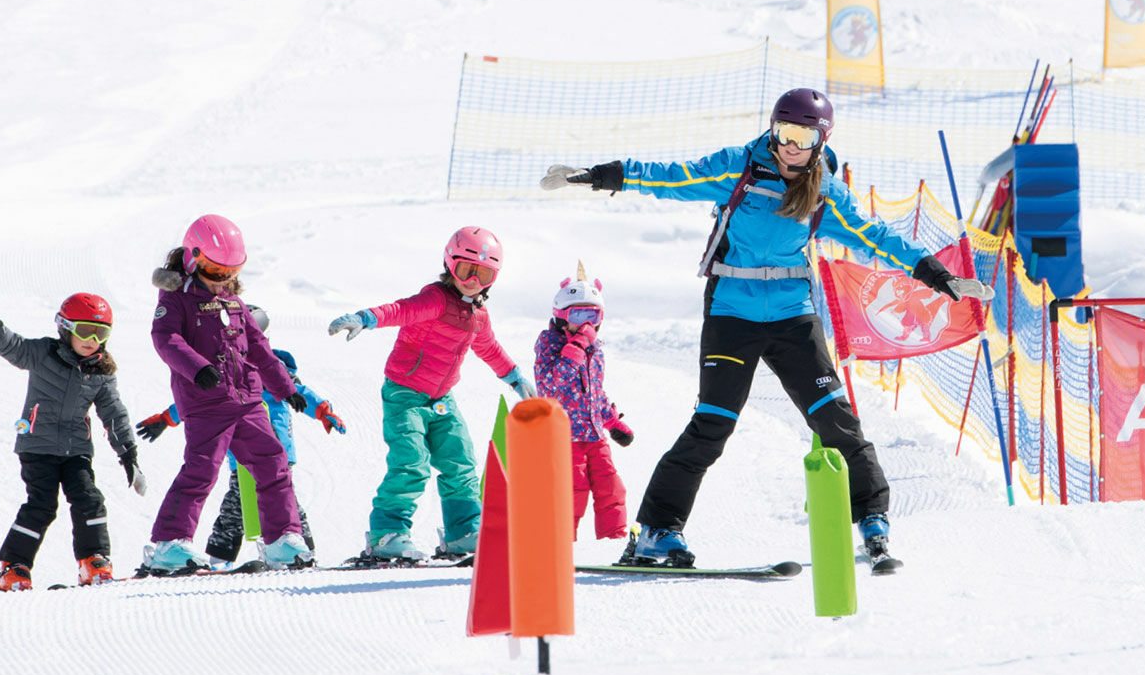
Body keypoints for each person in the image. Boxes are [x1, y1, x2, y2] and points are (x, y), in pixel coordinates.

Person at [541, 88, 994, 572]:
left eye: (803, 137)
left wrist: (934, 273)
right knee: (713, 425)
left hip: (791, 315)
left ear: (821, 141)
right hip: (731, 314)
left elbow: (874, 236)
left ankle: (873, 523)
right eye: (784, 133)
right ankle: (657, 531)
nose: (791, 147)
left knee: (835, 420)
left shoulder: (824, 194)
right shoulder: (740, 168)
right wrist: (603, 176)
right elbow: (674, 177)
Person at [327, 225, 537, 561]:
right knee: (411, 462)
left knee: (461, 460)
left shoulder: (478, 316)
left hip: (442, 399)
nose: (472, 280)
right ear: (450, 264)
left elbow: (489, 348)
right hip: (405, 395)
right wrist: (365, 318)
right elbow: (400, 310)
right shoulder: (434, 300)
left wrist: (513, 376)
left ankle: (464, 532)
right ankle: (386, 533)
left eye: (483, 274)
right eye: (466, 269)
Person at [143, 214, 318, 572]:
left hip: (247, 400)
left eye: (230, 272)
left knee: (274, 463)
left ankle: (282, 539)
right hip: (206, 402)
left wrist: (287, 389)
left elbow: (258, 347)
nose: (222, 279)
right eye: (214, 269)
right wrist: (198, 367)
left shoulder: (234, 303)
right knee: (201, 471)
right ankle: (169, 544)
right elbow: (166, 339)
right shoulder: (176, 299)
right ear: (192, 258)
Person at [0, 290, 145, 591]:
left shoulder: (101, 372)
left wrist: (129, 456)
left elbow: (113, 414)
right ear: (65, 327)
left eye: (100, 332)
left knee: (89, 499)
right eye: (85, 331)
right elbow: (12, 346)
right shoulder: (44, 353)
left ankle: (93, 561)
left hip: (77, 451)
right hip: (38, 447)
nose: (92, 340)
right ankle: (13, 567)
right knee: (42, 505)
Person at [136, 305, 345, 568]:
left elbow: (299, 391)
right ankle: (219, 559)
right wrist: (167, 418)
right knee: (235, 508)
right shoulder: (226, 365)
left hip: (277, 449)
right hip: (239, 457)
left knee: (284, 496)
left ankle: (301, 551)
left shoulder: (272, 367)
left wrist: (323, 411)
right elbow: (204, 397)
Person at [533, 263, 634, 540]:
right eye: (579, 314)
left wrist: (612, 422)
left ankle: (614, 540)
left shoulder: (595, 348)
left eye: (593, 314)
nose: (587, 323)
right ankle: (561, 542)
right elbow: (551, 386)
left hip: (594, 433)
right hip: (564, 437)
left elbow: (594, 393)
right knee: (572, 491)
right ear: (562, 316)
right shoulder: (549, 344)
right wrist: (576, 347)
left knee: (611, 487)